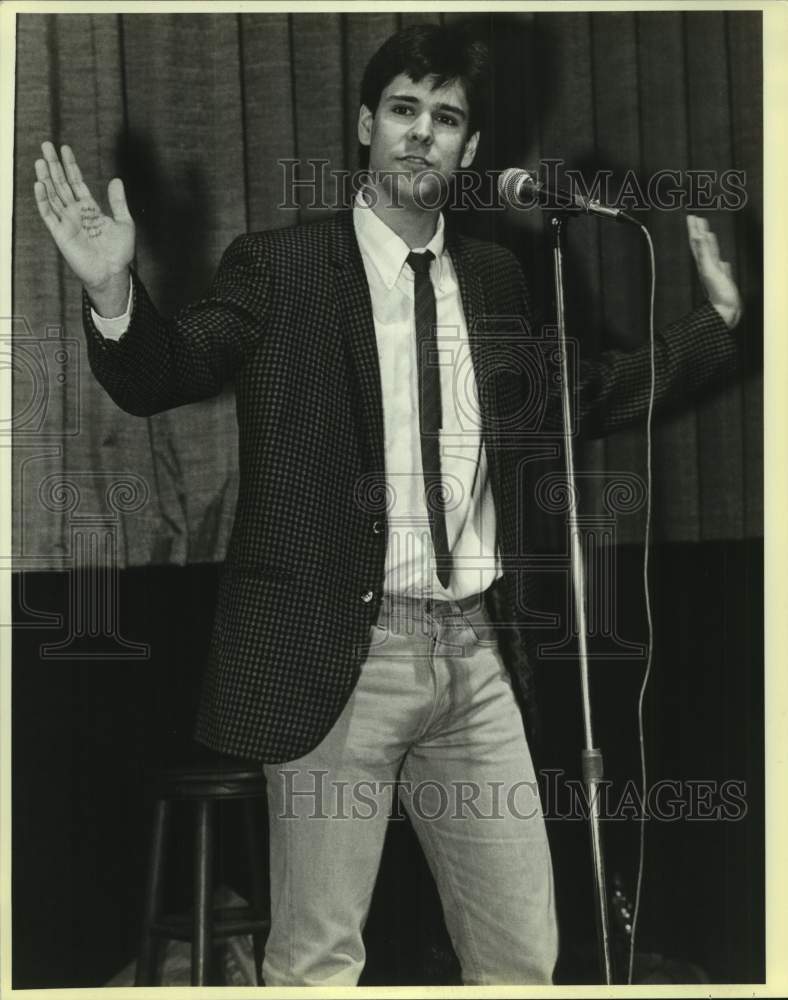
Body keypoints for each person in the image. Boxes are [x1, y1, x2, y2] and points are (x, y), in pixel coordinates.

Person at [33, 23, 743, 988]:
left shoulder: (495, 278)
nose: (422, 134)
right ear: (366, 124)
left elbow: (582, 394)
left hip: (476, 658)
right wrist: (115, 292)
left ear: (472, 149)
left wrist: (716, 327)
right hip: (340, 658)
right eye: (404, 111)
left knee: (523, 958)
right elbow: (165, 372)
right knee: (320, 962)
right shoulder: (279, 269)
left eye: (445, 119)